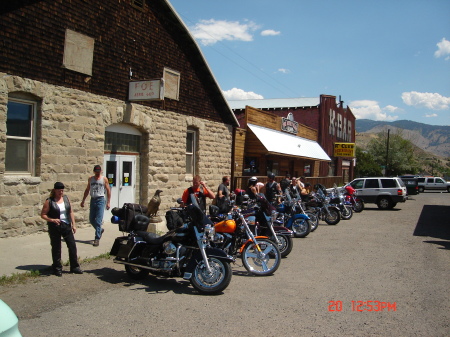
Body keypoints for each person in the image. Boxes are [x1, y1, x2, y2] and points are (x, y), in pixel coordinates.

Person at [41, 182, 83, 276]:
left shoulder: (66, 198)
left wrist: (74, 224)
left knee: (72, 246)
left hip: (66, 225)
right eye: (59, 190)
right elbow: (43, 215)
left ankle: (74, 267)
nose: (61, 192)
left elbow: (71, 211)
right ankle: (57, 268)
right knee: (56, 247)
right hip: (55, 226)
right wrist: (51, 219)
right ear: (55, 190)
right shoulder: (49, 201)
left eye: (62, 190)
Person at [81, 165, 111, 247]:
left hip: (101, 200)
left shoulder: (104, 179)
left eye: (99, 171)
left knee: (98, 220)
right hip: (93, 199)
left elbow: (108, 190)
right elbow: (87, 189)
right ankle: (100, 230)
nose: (97, 173)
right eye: (96, 172)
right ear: (94, 171)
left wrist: (108, 202)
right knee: (91, 219)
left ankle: (97, 238)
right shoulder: (91, 179)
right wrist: (83, 200)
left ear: (101, 171)